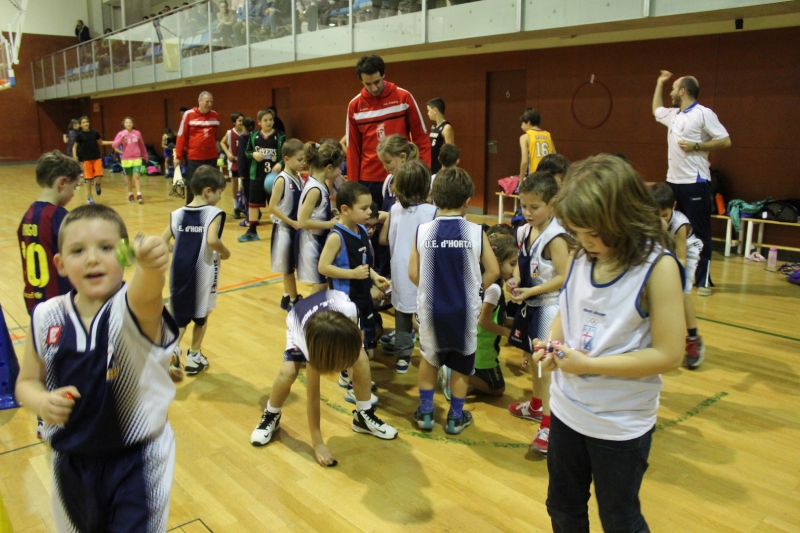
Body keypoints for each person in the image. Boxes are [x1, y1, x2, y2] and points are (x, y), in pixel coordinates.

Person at [540, 154, 685, 532]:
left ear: (623, 216)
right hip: (567, 410)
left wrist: (589, 365)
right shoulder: (581, 254)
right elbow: (566, 313)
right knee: (562, 507)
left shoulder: (659, 266)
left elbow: (670, 355)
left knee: (620, 519)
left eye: (593, 233)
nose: (586, 242)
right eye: (578, 233)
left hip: (620, 423)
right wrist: (552, 345)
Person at [15, 204, 179, 532]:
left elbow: (148, 293)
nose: (92, 258)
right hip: (71, 460)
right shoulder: (46, 316)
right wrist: (42, 402)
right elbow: (26, 382)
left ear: (124, 255)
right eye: (78, 250)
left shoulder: (132, 307)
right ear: (60, 264)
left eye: (105, 247)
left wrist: (150, 267)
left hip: (138, 459)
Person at [249, 290, 398, 464]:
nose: (343, 364)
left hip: (334, 307)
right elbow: (313, 397)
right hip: (299, 319)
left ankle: (363, 416)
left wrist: (353, 376)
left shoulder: (350, 311)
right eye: (340, 362)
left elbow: (356, 344)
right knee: (287, 372)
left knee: (362, 359)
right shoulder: (311, 347)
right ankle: (271, 414)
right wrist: (318, 443)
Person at [409, 168, 499, 435]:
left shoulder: (422, 231)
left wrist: (431, 286)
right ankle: (455, 418)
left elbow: (413, 273)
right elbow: (494, 271)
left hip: (431, 309)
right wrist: (475, 289)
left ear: (434, 199)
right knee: (461, 364)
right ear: (468, 201)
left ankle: (426, 413)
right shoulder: (476, 231)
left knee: (429, 360)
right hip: (464, 311)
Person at [506, 172, 571, 455]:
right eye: (524, 206)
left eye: (535, 207)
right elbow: (520, 266)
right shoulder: (523, 231)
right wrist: (515, 281)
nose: (528, 212)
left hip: (549, 305)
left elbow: (565, 276)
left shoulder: (556, 237)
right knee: (534, 362)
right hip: (530, 303)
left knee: (545, 366)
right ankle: (535, 405)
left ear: (552, 204)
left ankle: (549, 424)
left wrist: (531, 290)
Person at [653, 70, 731, 296]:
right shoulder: (673, 115)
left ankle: (703, 280)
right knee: (668, 228)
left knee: (700, 232)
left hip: (695, 182)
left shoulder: (703, 114)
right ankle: (671, 275)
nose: (670, 93)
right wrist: (659, 83)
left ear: (683, 91)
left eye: (672, 88)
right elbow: (656, 110)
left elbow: (725, 140)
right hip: (672, 182)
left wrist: (697, 146)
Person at [163, 166, 230, 379]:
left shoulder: (178, 214)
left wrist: (179, 249)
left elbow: (163, 241)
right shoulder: (213, 213)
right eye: (220, 192)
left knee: (181, 316)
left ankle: (173, 350)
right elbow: (212, 240)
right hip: (202, 272)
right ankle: (194, 356)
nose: (220, 197)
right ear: (208, 191)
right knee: (201, 316)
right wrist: (225, 252)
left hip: (178, 271)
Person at [346, 55, 431, 207]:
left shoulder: (403, 97)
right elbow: (353, 148)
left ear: (383, 74)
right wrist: (353, 186)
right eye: (368, 84)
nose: (374, 88)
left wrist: (422, 175)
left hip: (401, 176)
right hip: (369, 180)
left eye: (377, 82)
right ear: (361, 81)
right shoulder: (354, 106)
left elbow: (421, 138)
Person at [319, 182, 388, 365]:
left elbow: (363, 264)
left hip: (363, 296)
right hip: (346, 300)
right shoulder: (336, 237)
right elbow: (323, 267)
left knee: (366, 349)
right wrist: (353, 274)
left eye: (369, 207)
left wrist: (374, 277)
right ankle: (346, 376)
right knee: (352, 346)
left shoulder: (362, 230)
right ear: (345, 209)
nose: (369, 212)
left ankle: (352, 372)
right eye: (364, 208)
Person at [378, 160, 436, 373]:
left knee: (402, 317)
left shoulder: (394, 210)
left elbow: (383, 240)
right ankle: (432, 355)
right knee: (428, 315)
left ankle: (402, 358)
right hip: (425, 272)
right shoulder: (434, 212)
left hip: (401, 271)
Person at [18, 151, 81, 316]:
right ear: (62, 183)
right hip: (60, 302)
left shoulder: (27, 216)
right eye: (74, 187)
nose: (73, 194)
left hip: (34, 302)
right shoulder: (58, 216)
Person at [651, 182, 705, 369]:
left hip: (686, 253)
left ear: (673, 206)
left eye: (664, 215)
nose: (661, 220)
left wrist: (673, 276)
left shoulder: (680, 224)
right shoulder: (649, 218)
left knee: (682, 295)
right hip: (665, 251)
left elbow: (681, 258)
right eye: (656, 215)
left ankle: (693, 339)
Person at [471, 230, 517, 397]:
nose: (514, 269)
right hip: (482, 348)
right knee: (497, 389)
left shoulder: (483, 279)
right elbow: (483, 321)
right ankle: (456, 372)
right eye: (512, 264)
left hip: (478, 344)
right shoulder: (494, 289)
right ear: (496, 261)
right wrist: (507, 333)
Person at [296, 141, 341, 294]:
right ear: (329, 167)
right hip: (310, 241)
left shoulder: (320, 184)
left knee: (323, 283)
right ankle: (307, 310)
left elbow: (317, 211)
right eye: (338, 168)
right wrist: (329, 224)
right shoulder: (315, 189)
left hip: (317, 238)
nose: (340, 172)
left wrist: (330, 212)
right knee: (320, 284)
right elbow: (302, 222)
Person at [268, 138, 305, 310]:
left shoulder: (299, 177)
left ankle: (286, 296)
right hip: (284, 229)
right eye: (300, 159)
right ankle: (293, 300)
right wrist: (291, 222)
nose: (303, 163)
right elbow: (272, 206)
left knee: (290, 265)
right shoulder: (282, 180)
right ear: (287, 159)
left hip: (295, 227)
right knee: (288, 268)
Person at [240, 108, 285, 242]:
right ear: (259, 122)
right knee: (253, 204)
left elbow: (286, 155)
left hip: (274, 178)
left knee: (276, 204)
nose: (269, 122)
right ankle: (252, 231)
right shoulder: (253, 135)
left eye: (271, 119)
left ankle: (281, 230)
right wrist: (253, 154)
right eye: (265, 120)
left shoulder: (281, 136)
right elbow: (247, 151)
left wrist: (280, 164)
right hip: (257, 176)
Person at [175, 91, 221, 205]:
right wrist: (178, 156)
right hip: (194, 158)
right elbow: (181, 136)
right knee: (193, 185)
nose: (209, 104)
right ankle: (191, 210)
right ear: (199, 101)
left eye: (211, 102)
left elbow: (214, 136)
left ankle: (208, 209)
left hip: (211, 158)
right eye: (207, 101)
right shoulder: (188, 115)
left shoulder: (215, 115)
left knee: (211, 185)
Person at [72, 116, 112, 205]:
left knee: (99, 175)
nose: (86, 123)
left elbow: (101, 142)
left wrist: (113, 142)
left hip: (96, 157)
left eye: (87, 122)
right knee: (89, 179)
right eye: (83, 122)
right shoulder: (79, 135)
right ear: (80, 125)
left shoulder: (94, 133)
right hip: (86, 159)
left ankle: (97, 184)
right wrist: (75, 157)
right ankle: (89, 196)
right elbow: (74, 147)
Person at [112, 117, 148, 204]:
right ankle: (130, 194)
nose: (128, 124)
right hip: (126, 159)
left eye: (130, 122)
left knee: (137, 176)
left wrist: (145, 155)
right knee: (128, 178)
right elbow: (114, 145)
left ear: (133, 124)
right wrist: (121, 138)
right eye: (127, 123)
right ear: (124, 124)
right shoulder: (121, 134)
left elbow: (141, 145)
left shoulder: (137, 133)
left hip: (136, 158)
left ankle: (139, 194)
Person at [219, 112, 246, 218]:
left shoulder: (246, 132)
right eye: (239, 120)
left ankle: (243, 204)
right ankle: (235, 207)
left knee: (244, 184)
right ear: (234, 122)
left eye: (243, 120)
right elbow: (222, 142)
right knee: (234, 183)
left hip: (244, 161)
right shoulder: (230, 133)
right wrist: (228, 153)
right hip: (234, 161)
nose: (242, 122)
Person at [519, 108, 555, 179]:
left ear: (528, 122)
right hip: (548, 175)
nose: (521, 126)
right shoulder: (548, 135)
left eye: (522, 123)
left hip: (534, 176)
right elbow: (555, 156)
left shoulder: (525, 137)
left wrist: (521, 180)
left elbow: (524, 161)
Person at [237, 116, 257, 223]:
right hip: (257, 171)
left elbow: (241, 156)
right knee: (255, 195)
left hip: (247, 172)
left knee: (248, 196)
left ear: (243, 126)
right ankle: (256, 216)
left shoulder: (243, 138)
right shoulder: (257, 136)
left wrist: (241, 172)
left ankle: (249, 218)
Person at [426, 98, 454, 175]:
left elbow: (451, 151)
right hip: (431, 165)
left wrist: (447, 169)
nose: (428, 113)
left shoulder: (446, 127)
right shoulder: (433, 127)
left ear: (435, 110)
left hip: (440, 168)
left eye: (428, 110)